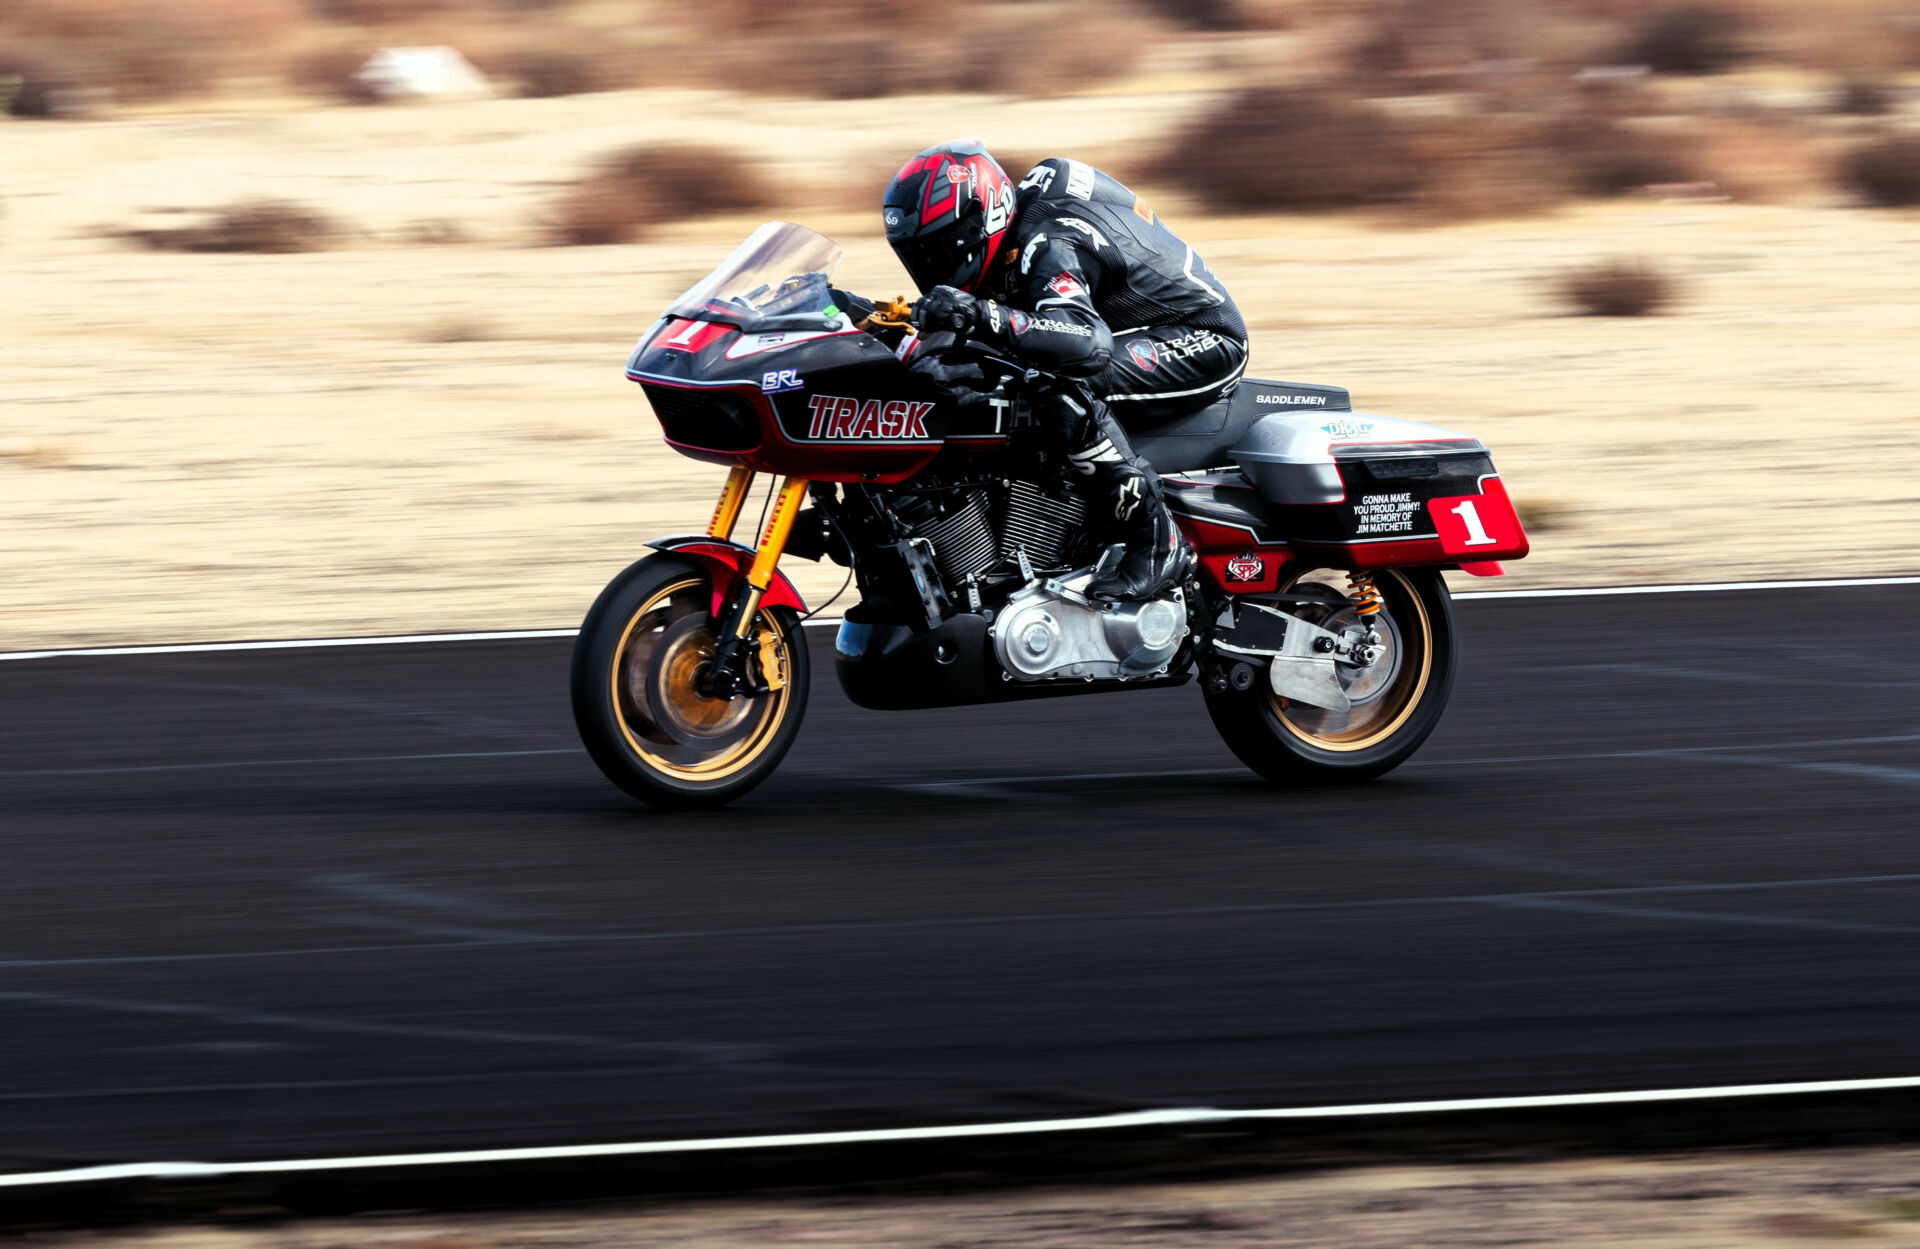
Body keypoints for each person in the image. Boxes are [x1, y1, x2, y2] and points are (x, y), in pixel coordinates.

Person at [878, 139, 1249, 602]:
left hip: (1201, 337)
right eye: (916, 255)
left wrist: (982, 315)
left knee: (1056, 383)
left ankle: (1156, 541)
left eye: (938, 250)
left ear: (981, 222)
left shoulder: (1048, 242)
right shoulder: (1011, 241)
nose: (930, 267)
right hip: (1125, 332)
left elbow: (1084, 343)